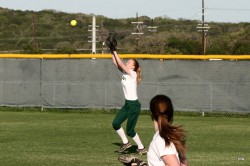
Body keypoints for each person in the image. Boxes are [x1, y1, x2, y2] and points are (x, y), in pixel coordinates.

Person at [106, 35, 147, 155]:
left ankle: (141, 147)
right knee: (116, 124)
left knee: (130, 130)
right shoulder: (125, 72)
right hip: (127, 104)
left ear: (133, 67)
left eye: (129, 62)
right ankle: (125, 143)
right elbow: (116, 62)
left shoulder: (132, 73)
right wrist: (111, 50)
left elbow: (120, 63)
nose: (127, 62)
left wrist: (115, 50)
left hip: (134, 105)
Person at [147, 95, 188, 166]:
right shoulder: (172, 135)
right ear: (171, 114)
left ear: (151, 114)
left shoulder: (161, 138)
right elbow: (183, 164)